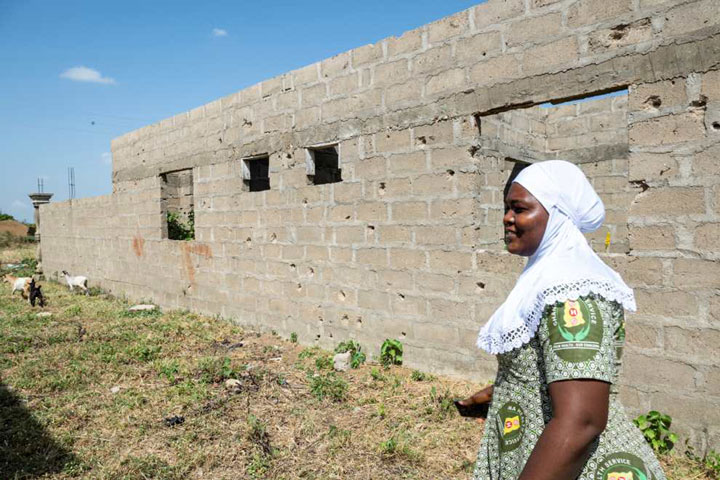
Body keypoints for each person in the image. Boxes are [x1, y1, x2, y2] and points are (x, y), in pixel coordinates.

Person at [460, 160, 666, 480]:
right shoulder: (546, 280)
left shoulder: (574, 291)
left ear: (557, 215)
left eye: (519, 208)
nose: (507, 218)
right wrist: (497, 390)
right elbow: (549, 368)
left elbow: (582, 421)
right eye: (506, 208)